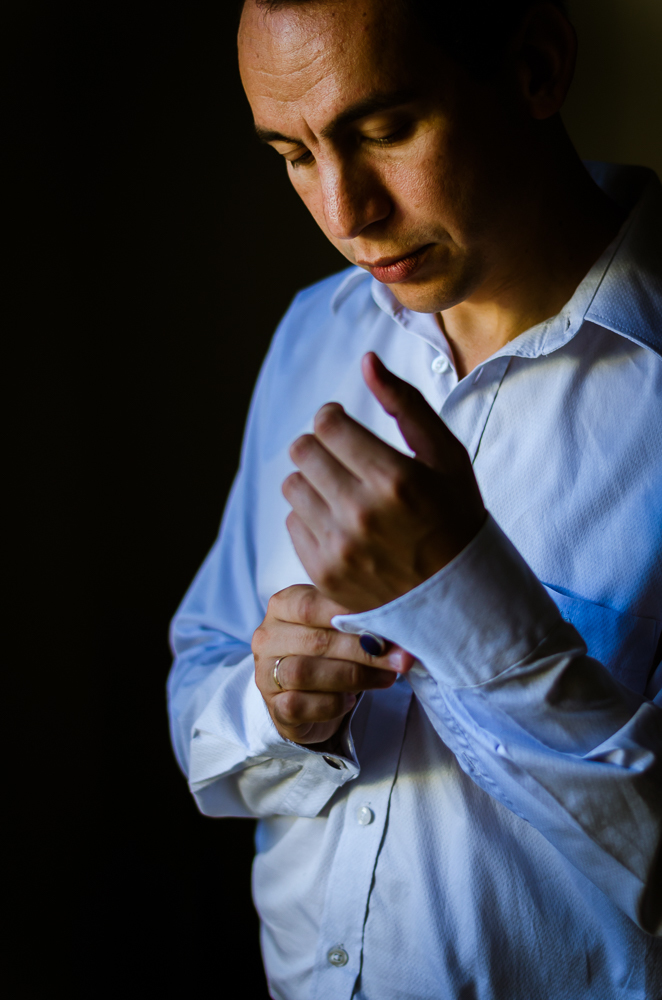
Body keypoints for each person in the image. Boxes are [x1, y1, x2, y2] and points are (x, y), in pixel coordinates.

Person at [167, 1, 662, 996]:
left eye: (383, 131)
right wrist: (275, 706)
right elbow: (202, 670)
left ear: (533, 66)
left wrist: (469, 602)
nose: (344, 215)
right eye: (293, 154)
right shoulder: (313, 330)